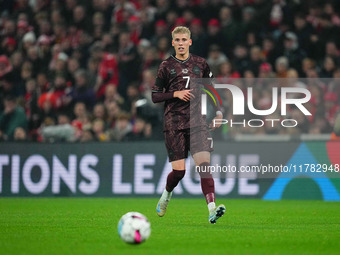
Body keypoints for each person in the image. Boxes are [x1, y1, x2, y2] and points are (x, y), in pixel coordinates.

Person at [151, 26, 225, 224]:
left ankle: (212, 210)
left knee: (205, 167)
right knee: (179, 172)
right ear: (173, 43)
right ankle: (166, 195)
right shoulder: (166, 66)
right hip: (174, 123)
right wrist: (175, 94)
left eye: (185, 39)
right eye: (178, 40)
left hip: (197, 122)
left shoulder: (201, 64)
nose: (181, 43)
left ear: (190, 42)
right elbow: (155, 96)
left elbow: (212, 89)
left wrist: (218, 112)